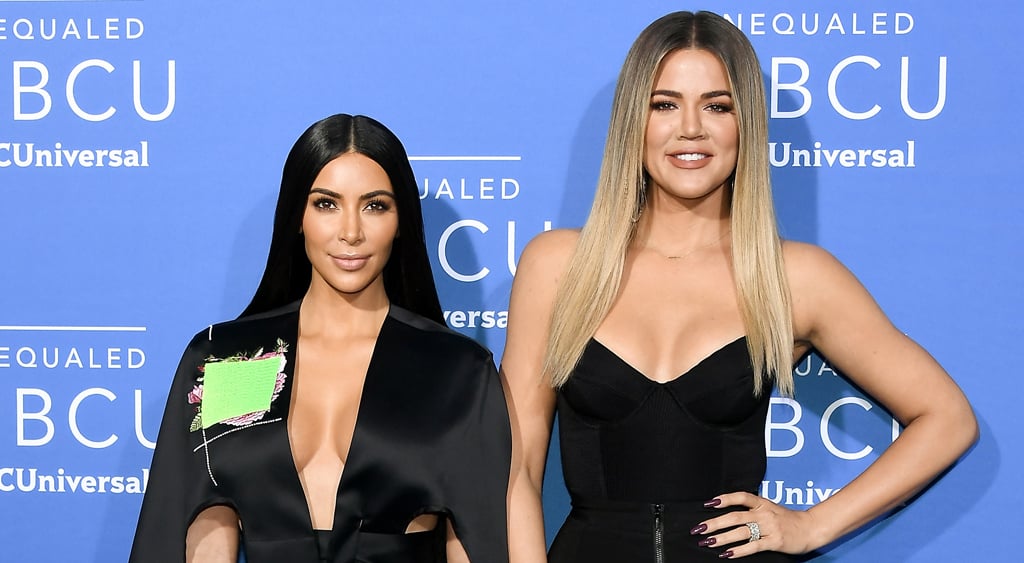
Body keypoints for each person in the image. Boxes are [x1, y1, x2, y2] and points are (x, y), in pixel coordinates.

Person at [502, 11, 976, 562]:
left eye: (717, 105)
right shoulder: (559, 266)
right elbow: (517, 468)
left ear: (745, 122)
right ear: (634, 120)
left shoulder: (792, 276)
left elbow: (948, 418)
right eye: (665, 104)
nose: (691, 129)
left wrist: (813, 526)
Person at [130, 114, 511, 563]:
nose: (350, 232)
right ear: (297, 216)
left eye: (375, 206)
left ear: (402, 219)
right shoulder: (237, 360)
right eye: (326, 204)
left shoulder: (453, 370)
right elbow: (207, 525)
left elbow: (477, 540)